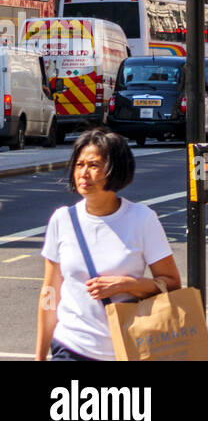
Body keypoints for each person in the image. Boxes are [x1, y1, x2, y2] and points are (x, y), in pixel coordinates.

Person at [37, 129, 182, 362]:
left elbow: (173, 284)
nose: (84, 173)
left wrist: (127, 285)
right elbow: (49, 293)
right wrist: (39, 357)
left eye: (94, 165)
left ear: (116, 170)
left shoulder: (142, 219)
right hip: (70, 346)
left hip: (126, 349)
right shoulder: (62, 220)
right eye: (79, 164)